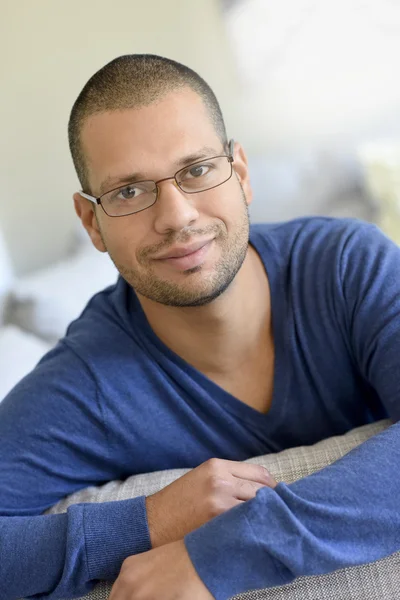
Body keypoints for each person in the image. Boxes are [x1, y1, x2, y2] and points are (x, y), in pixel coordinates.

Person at [1, 54, 400, 600]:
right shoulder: (88, 381)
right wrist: (149, 521)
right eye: (128, 192)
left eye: (196, 170)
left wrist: (219, 555)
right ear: (92, 223)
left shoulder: (346, 265)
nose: (177, 217)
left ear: (239, 173)